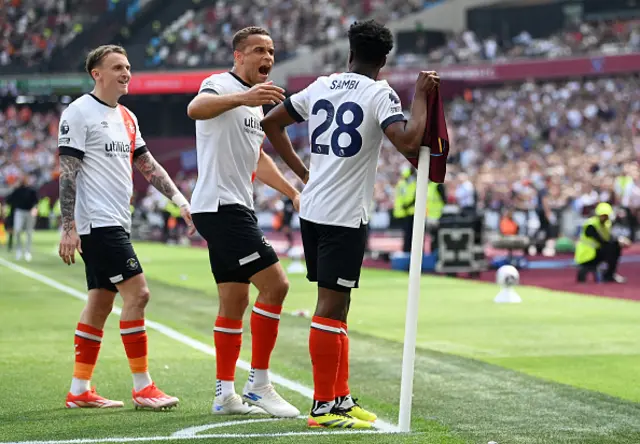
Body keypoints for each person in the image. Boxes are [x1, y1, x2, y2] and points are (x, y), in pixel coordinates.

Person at [262, 20, 440, 428]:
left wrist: (303, 172)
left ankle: (338, 397)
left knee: (339, 303)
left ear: (349, 53)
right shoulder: (379, 93)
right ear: (383, 60)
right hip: (343, 213)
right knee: (330, 303)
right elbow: (410, 141)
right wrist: (421, 97)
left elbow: (271, 122)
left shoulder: (322, 85)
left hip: (313, 207)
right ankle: (324, 405)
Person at [58, 44, 193, 410]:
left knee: (100, 302)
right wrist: (68, 226)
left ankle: (79, 389)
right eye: (117, 66)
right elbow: (68, 174)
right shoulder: (78, 112)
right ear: (96, 73)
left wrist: (180, 200)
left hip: (117, 219)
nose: (126, 72)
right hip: (97, 222)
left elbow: (149, 166)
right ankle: (143, 386)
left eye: (128, 66)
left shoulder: (128, 117)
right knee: (139, 294)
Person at [186, 26, 300, 418]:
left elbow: (258, 158)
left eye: (270, 51)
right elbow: (195, 108)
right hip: (221, 207)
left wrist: (293, 191)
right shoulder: (219, 84)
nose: (266, 57)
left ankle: (224, 395)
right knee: (277, 285)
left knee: (234, 301)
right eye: (257, 50)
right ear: (238, 56)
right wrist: (245, 97)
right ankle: (260, 384)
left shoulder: (256, 103)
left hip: (231, 206)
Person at [575, 202, 630, 283]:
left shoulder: (607, 224)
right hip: (587, 255)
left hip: (597, 252)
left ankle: (610, 274)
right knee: (613, 247)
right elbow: (602, 241)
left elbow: (609, 238)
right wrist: (617, 241)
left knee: (615, 247)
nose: (605, 218)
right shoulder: (591, 225)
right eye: (603, 215)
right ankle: (609, 274)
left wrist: (620, 240)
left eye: (606, 216)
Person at [7, 174, 38, 261]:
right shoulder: (17, 190)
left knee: (29, 232)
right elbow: (9, 199)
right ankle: (19, 250)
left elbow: (36, 201)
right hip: (19, 212)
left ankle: (28, 251)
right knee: (17, 230)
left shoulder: (31, 190)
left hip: (29, 212)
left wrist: (34, 208)